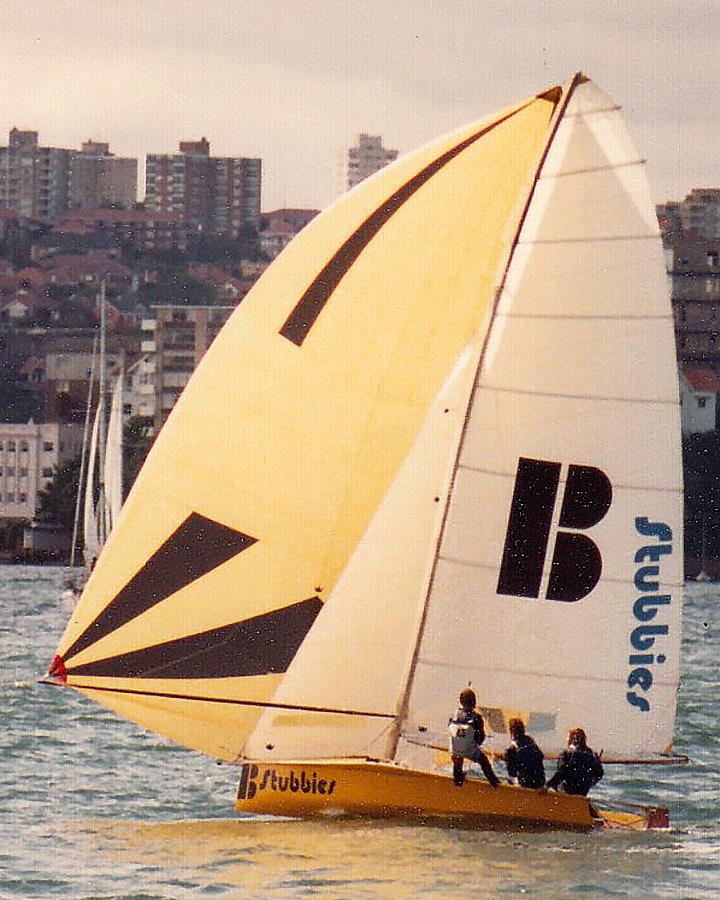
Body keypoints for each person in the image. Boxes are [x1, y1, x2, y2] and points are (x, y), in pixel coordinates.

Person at [448, 688, 499, 788]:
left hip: (454, 750)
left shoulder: (453, 715)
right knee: (483, 760)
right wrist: (475, 744)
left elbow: (450, 729)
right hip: (469, 750)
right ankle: (495, 783)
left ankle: (458, 782)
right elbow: (480, 737)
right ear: (474, 702)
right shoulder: (476, 718)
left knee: (457, 759)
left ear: (461, 701)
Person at [547, 727, 604, 796]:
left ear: (572, 739)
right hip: (582, 792)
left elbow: (562, 772)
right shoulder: (592, 756)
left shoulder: (567, 754)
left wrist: (547, 786)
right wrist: (590, 784)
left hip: (566, 792)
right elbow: (599, 773)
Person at [503, 718, 546, 788]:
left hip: (525, 784)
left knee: (509, 780)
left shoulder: (511, 750)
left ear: (511, 732)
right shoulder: (533, 744)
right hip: (540, 782)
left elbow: (512, 773)